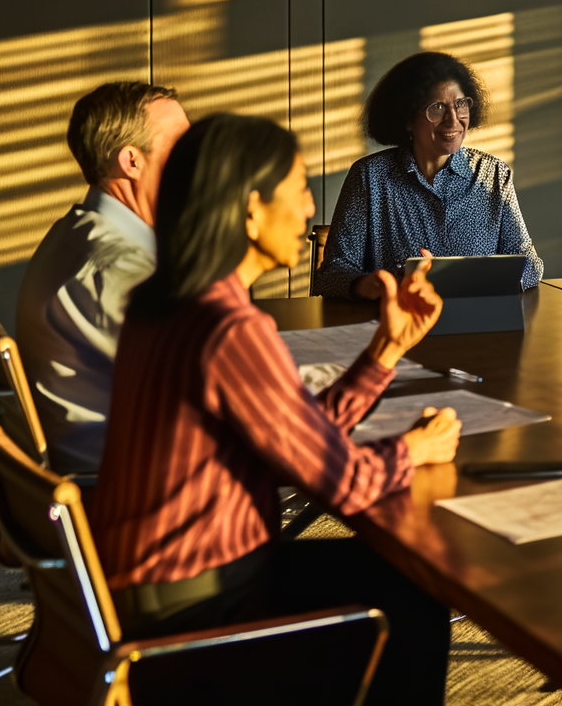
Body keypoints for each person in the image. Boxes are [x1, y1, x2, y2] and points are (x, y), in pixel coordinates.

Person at [93, 114, 460, 704]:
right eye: (299, 191)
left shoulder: (166, 303)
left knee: (391, 577)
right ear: (250, 210)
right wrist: (414, 450)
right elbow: (341, 480)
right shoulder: (230, 328)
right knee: (415, 590)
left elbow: (297, 436)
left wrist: (386, 350)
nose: (312, 210)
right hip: (201, 609)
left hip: (149, 589)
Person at [15, 81, 190, 473]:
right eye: (184, 146)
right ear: (131, 161)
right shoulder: (122, 270)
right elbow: (210, 392)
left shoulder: (73, 233)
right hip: (138, 483)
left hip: (111, 457)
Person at [319, 51, 542, 299]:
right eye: (437, 108)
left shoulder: (494, 175)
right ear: (407, 118)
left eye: (460, 104)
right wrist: (374, 285)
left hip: (479, 327)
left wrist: (476, 279)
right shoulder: (369, 178)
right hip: (397, 328)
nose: (453, 120)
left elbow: (530, 264)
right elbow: (330, 275)